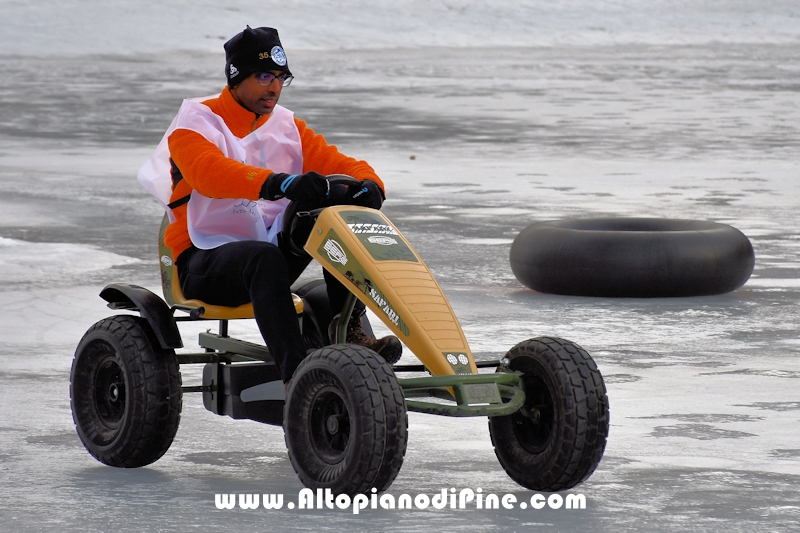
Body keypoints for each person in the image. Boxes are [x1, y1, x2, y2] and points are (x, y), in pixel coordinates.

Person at [138, 26, 401, 385]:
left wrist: (371, 186)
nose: (274, 87)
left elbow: (338, 162)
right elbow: (208, 173)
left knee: (327, 215)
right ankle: (297, 376)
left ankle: (348, 331)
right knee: (265, 258)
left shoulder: (286, 125)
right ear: (236, 76)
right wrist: (279, 183)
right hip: (202, 261)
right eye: (264, 76)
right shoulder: (195, 122)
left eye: (281, 78)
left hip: (265, 252)